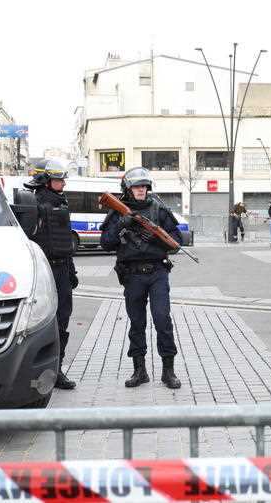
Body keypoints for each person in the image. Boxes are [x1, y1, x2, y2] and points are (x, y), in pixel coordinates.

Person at [100, 167, 183, 389]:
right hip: (132, 275)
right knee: (137, 323)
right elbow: (106, 243)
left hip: (157, 272)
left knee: (162, 319)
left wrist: (157, 238)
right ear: (127, 189)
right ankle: (139, 371)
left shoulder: (158, 208)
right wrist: (121, 225)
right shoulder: (118, 211)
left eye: (144, 186)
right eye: (137, 186)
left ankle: (168, 371)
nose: (141, 190)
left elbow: (176, 240)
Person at [22, 159, 78, 390]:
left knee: (63, 320)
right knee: (43, 322)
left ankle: (57, 370)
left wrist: (71, 269)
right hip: (44, 269)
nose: (63, 183)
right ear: (46, 180)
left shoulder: (61, 203)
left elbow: (65, 240)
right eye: (58, 179)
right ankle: (38, 374)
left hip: (62, 267)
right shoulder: (33, 203)